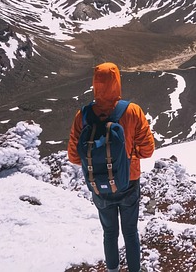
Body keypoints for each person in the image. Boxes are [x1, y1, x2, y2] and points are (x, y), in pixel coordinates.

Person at [68, 62, 155, 272]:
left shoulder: (83, 115)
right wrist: (129, 159)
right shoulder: (132, 111)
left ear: (95, 84)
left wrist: (98, 162)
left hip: (99, 185)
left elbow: (74, 156)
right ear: (117, 82)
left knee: (109, 233)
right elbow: (148, 150)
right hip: (129, 182)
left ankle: (112, 270)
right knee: (130, 232)